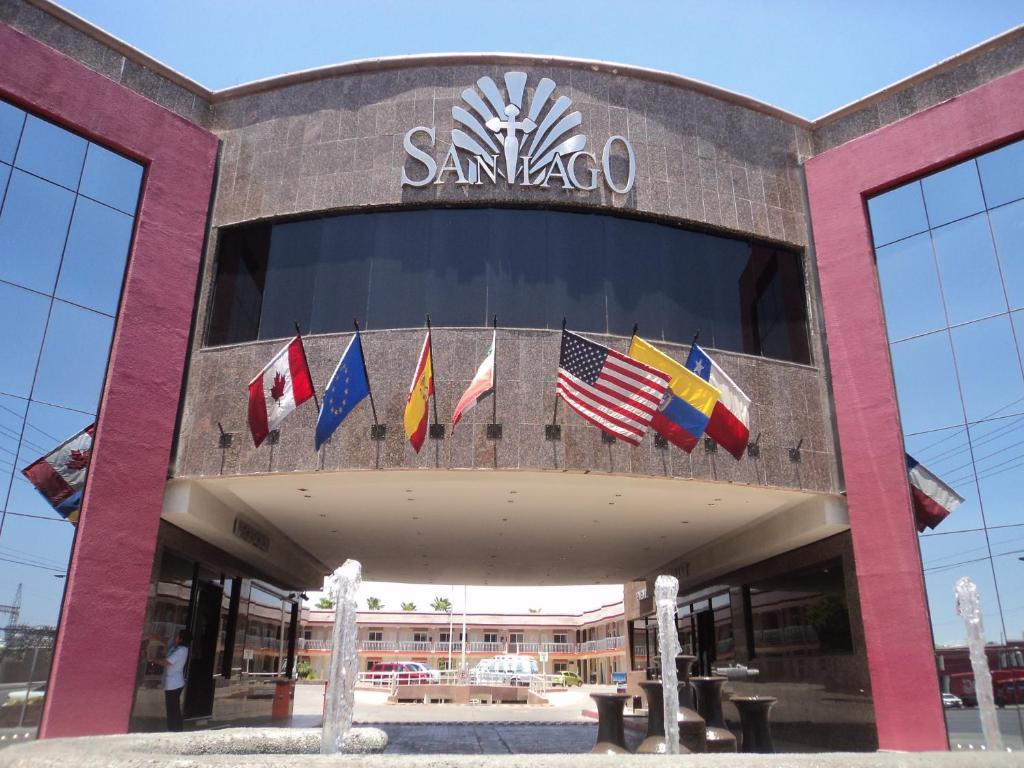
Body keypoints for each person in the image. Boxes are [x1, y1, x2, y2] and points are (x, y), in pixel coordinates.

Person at [151, 628, 190, 731]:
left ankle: (174, 730)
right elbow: (166, 641)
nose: (175, 637)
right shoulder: (178, 647)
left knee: (172, 709)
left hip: (174, 684)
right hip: (175, 683)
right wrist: (153, 636)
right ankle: (176, 729)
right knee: (174, 707)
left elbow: (166, 662)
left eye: (177, 636)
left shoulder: (180, 651)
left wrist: (153, 658)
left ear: (181, 639)